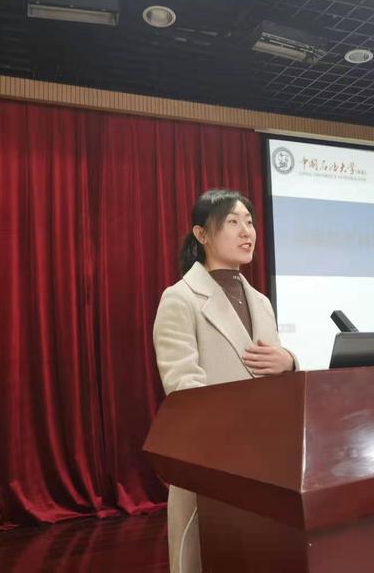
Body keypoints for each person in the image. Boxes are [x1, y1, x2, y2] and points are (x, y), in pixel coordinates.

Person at [153, 188, 297, 573]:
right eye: (232, 222)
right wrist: (238, 434)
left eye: (249, 221)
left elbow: (274, 379)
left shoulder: (261, 302)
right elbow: (183, 390)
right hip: (213, 464)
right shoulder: (179, 298)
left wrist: (289, 362)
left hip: (267, 466)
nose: (246, 231)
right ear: (201, 234)